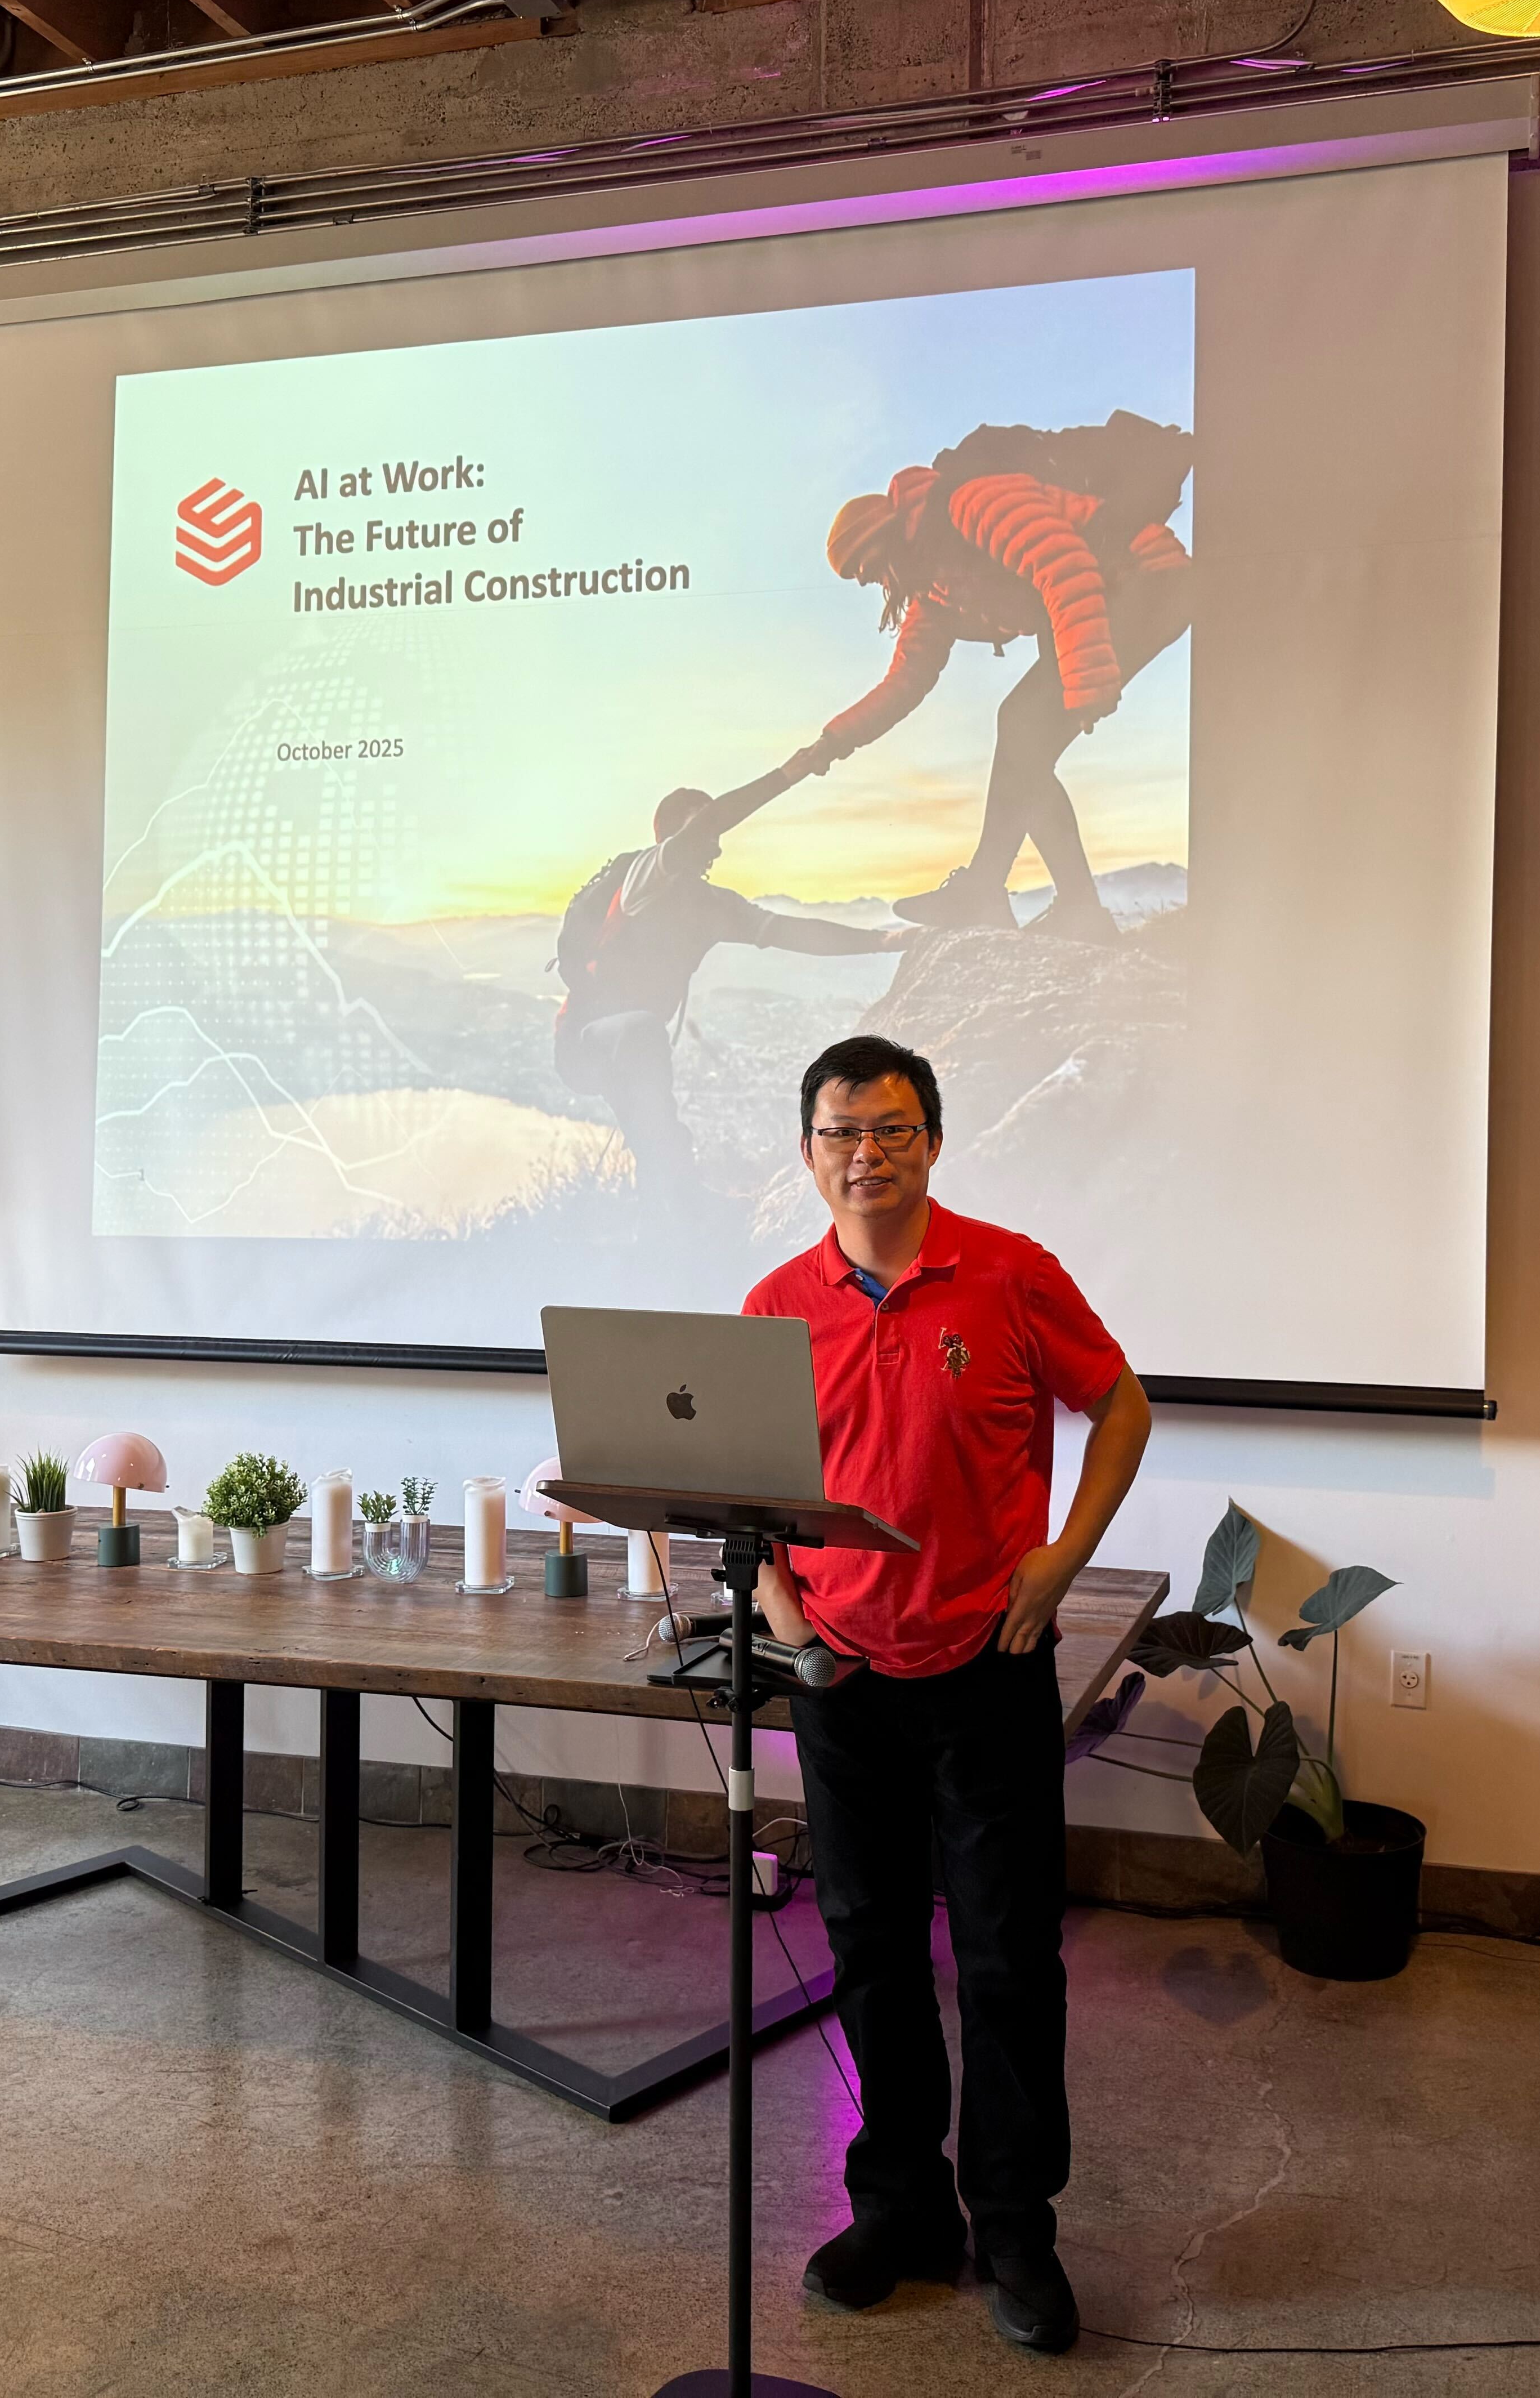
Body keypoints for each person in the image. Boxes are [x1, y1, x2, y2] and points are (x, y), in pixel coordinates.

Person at [743, 1031, 1153, 2355]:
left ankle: (1017, 2228)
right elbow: (747, 1497)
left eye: (893, 1127)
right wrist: (788, 1616)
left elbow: (1124, 1406)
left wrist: (1062, 1560)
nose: (867, 1152)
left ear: (932, 1139)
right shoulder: (772, 1307)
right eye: (841, 1132)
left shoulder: (1011, 1276)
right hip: (842, 1680)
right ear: (810, 1155)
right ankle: (903, 2208)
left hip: (988, 1670)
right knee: (868, 1950)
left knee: (1007, 1958)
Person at [814, 413, 1196, 945]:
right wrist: (834, 740)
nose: (875, 582)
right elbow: (905, 681)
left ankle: (1006, 895)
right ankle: (1046, 904)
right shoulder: (934, 590)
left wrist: (1087, 682)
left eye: (872, 567)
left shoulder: (970, 503)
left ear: (889, 537)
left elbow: (1063, 564)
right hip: (1105, 601)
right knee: (1024, 739)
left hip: (1147, 577)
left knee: (1021, 729)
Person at [551, 753, 916, 1202]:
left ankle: (671, 1215)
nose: (716, 845)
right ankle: (674, 1215)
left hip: (630, 1048)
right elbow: (709, 823)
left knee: (659, 1139)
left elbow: (787, 931)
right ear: (672, 835)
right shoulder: (642, 878)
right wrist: (791, 772)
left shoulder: (710, 906)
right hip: (585, 1045)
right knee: (645, 1043)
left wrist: (882, 940)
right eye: (706, 830)